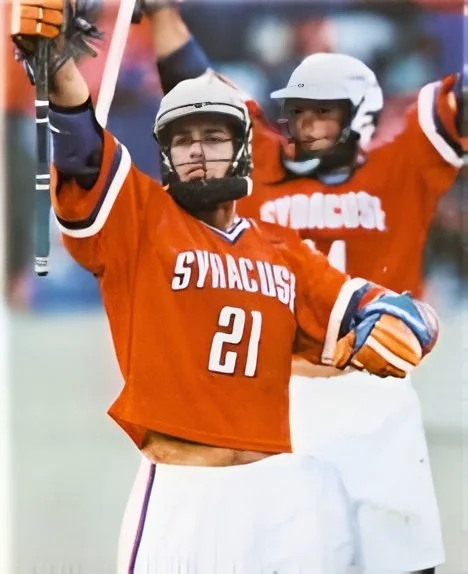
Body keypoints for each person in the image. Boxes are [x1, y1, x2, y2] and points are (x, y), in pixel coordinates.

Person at [12, 3, 441, 573]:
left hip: (277, 491)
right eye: (182, 140)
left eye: (213, 136)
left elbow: (365, 305)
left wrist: (411, 321)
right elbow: (83, 150)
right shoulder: (140, 220)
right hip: (183, 492)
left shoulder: (284, 251)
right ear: (164, 154)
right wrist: (57, 69)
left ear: (242, 148)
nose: (197, 151)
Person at [139, 2, 465, 573]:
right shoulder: (260, 162)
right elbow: (193, 82)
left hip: (375, 389)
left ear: (361, 113)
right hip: (280, 394)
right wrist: (161, 10)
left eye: (324, 114)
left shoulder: (401, 162)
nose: (308, 127)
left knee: (402, 559)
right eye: (301, 113)